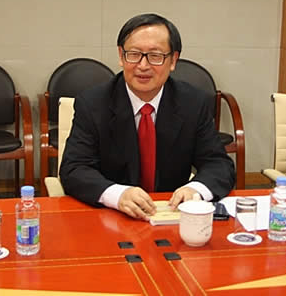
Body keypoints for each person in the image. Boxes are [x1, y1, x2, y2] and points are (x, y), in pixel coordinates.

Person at [59, 13, 236, 220]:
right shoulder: (93, 103)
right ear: (121, 56)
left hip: (171, 215)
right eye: (134, 54)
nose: (143, 66)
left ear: (173, 60)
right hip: (112, 216)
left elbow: (219, 164)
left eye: (155, 56)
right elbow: (74, 169)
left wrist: (195, 190)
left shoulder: (193, 103)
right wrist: (117, 194)